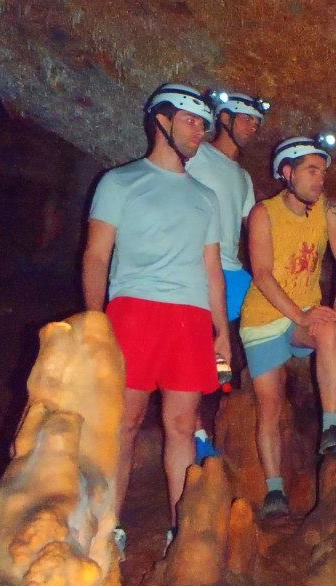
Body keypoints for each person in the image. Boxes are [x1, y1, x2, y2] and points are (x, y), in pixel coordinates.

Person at [82, 83, 228, 552]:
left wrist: (221, 332)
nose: (199, 132)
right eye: (190, 121)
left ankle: (181, 531)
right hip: (133, 310)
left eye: (204, 124)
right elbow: (96, 257)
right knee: (123, 422)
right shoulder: (119, 183)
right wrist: (94, 322)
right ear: (160, 121)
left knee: (183, 424)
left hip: (188, 315)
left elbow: (212, 269)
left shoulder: (206, 197)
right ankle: (107, 527)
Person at [240, 134, 336, 519]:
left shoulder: (329, 210)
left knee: (328, 332)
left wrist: (335, 310)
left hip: (303, 311)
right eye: (311, 170)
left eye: (322, 171)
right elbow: (262, 274)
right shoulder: (264, 213)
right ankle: (275, 491)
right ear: (286, 173)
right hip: (263, 317)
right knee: (270, 405)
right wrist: (302, 315)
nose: (319, 178)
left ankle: (331, 427)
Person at [185, 90, 266, 461]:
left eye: (256, 121)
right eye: (245, 118)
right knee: (199, 349)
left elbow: (251, 224)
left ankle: (231, 414)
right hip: (199, 265)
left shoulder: (243, 176)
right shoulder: (198, 153)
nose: (252, 126)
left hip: (234, 271)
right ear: (224, 119)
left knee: (232, 349)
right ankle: (196, 432)